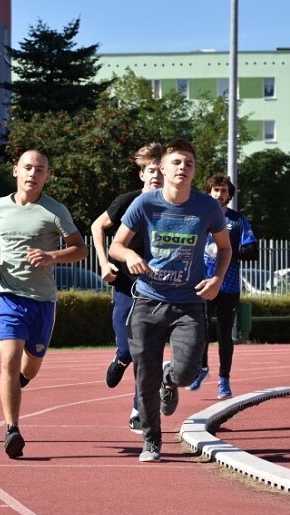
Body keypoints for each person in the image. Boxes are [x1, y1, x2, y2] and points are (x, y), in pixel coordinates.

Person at [109, 138, 231, 463]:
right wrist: (130, 254)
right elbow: (115, 245)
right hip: (148, 301)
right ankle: (151, 441)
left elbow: (225, 247)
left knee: (190, 371)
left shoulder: (207, 207)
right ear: (162, 168)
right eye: (176, 162)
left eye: (188, 163)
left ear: (194, 170)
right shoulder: (146, 204)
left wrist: (217, 278)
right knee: (143, 377)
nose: (182, 168)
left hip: (189, 303)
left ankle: (172, 378)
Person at [0, 149, 88, 459]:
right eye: (27, 167)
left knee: (31, 366)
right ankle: (12, 429)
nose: (32, 174)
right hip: (7, 295)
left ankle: (18, 383)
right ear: (15, 170)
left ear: (47, 176)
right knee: (9, 360)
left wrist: (52, 256)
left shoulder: (54, 211)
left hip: (42, 300)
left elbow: (80, 249)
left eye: (40, 169)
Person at [90, 143, 164, 434]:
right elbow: (98, 227)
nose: (156, 176)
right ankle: (121, 357)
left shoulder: (173, 205)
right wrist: (103, 263)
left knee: (147, 350)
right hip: (123, 283)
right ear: (142, 174)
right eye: (151, 171)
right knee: (128, 346)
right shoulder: (127, 201)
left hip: (156, 287)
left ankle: (138, 409)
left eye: (161, 170)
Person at [188, 174, 258, 400]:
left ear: (230, 194)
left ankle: (224, 380)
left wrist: (227, 253)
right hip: (203, 284)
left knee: (225, 334)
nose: (219, 195)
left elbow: (252, 251)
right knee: (200, 330)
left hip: (228, 286)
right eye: (215, 190)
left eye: (224, 191)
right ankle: (202, 369)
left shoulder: (238, 221)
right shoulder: (199, 218)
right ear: (208, 192)